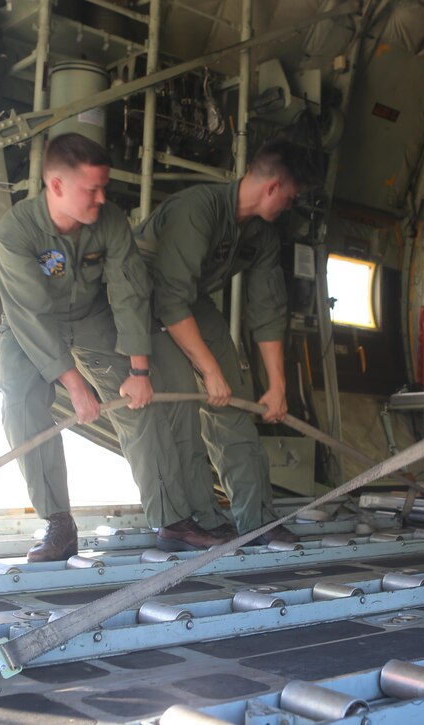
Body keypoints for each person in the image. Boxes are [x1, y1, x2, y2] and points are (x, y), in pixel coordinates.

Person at [0, 133, 229, 561]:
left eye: (104, 188)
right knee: (21, 406)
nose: (101, 198)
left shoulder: (111, 222)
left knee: (141, 404)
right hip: (29, 324)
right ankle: (58, 524)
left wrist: (139, 372)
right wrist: (76, 388)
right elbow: (32, 316)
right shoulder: (15, 232)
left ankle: (172, 520)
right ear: (57, 185)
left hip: (91, 318)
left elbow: (129, 294)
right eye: (92, 189)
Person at [134, 139, 318, 545]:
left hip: (187, 301)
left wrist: (277, 387)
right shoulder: (197, 209)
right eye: (289, 198)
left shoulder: (262, 236)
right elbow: (168, 299)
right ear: (272, 188)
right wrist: (209, 370)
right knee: (181, 402)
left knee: (231, 398)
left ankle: (256, 519)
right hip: (141, 296)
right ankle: (194, 518)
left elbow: (267, 311)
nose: (288, 207)